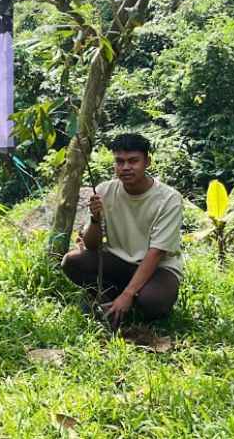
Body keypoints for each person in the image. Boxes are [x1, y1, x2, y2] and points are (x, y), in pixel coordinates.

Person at [61, 133, 184, 326]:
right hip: (118, 261)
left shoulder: (169, 199)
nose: (126, 167)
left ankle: (124, 301)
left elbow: (156, 252)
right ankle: (110, 297)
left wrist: (128, 294)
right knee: (72, 261)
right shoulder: (104, 191)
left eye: (133, 161)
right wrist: (95, 219)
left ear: (147, 162)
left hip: (157, 269)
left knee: (153, 302)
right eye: (120, 161)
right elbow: (92, 246)